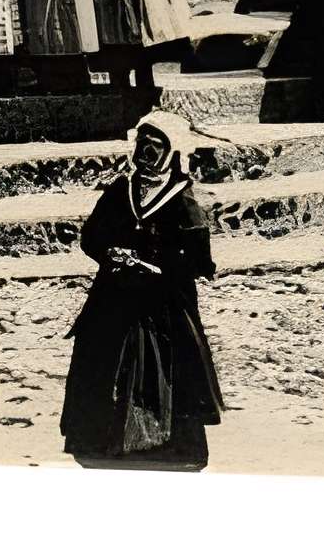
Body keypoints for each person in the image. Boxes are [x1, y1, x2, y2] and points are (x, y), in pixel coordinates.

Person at [59, 113, 224, 470]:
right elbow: (91, 236)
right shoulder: (121, 191)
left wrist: (155, 263)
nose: (146, 154)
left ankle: (166, 449)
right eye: (141, 145)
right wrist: (111, 252)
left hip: (162, 303)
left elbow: (197, 259)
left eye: (156, 147)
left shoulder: (183, 201)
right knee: (101, 357)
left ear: (172, 153)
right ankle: (98, 441)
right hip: (114, 296)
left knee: (164, 368)